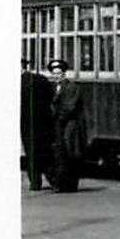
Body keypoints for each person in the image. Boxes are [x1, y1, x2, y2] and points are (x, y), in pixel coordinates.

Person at [46, 58, 87, 193]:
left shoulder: (72, 87)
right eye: (54, 73)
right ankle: (61, 183)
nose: (57, 76)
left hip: (69, 125)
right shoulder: (53, 88)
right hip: (58, 125)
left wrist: (55, 115)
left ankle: (69, 184)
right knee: (60, 155)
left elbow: (70, 107)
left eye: (59, 73)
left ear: (64, 74)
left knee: (70, 154)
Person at [20, 59, 55, 190]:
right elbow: (51, 98)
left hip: (25, 123)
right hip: (44, 122)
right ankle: (53, 178)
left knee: (31, 152)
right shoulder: (41, 79)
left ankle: (35, 182)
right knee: (44, 150)